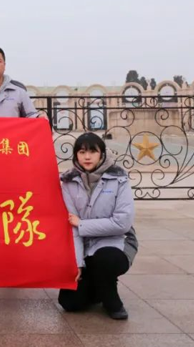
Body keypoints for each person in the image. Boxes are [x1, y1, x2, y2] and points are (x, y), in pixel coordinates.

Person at [59, 132, 138, 320]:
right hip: (85, 247)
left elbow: (122, 223)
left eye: (92, 152)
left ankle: (112, 301)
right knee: (69, 302)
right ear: (75, 155)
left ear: (101, 154)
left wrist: (83, 224)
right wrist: (77, 264)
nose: (87, 157)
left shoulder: (119, 178)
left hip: (116, 243)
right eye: (82, 152)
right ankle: (99, 285)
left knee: (105, 260)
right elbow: (72, 228)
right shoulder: (68, 183)